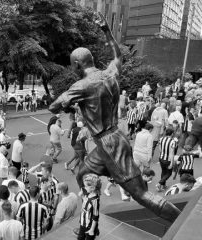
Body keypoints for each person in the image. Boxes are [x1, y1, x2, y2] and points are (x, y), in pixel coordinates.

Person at [48, 13, 180, 222]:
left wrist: (70, 105)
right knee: (83, 173)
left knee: (140, 194)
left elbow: (53, 106)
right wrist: (107, 31)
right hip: (111, 139)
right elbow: (118, 56)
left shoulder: (81, 86)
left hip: (109, 144)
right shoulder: (110, 73)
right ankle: (91, 209)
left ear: (76, 65)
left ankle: (181, 222)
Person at [74, 174, 101, 240]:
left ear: (93, 188)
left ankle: (94, 230)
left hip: (89, 225)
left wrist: (92, 229)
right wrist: (81, 194)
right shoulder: (88, 192)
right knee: (80, 238)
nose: (84, 187)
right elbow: (84, 199)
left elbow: (95, 216)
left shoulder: (94, 200)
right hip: (83, 222)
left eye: (86, 186)